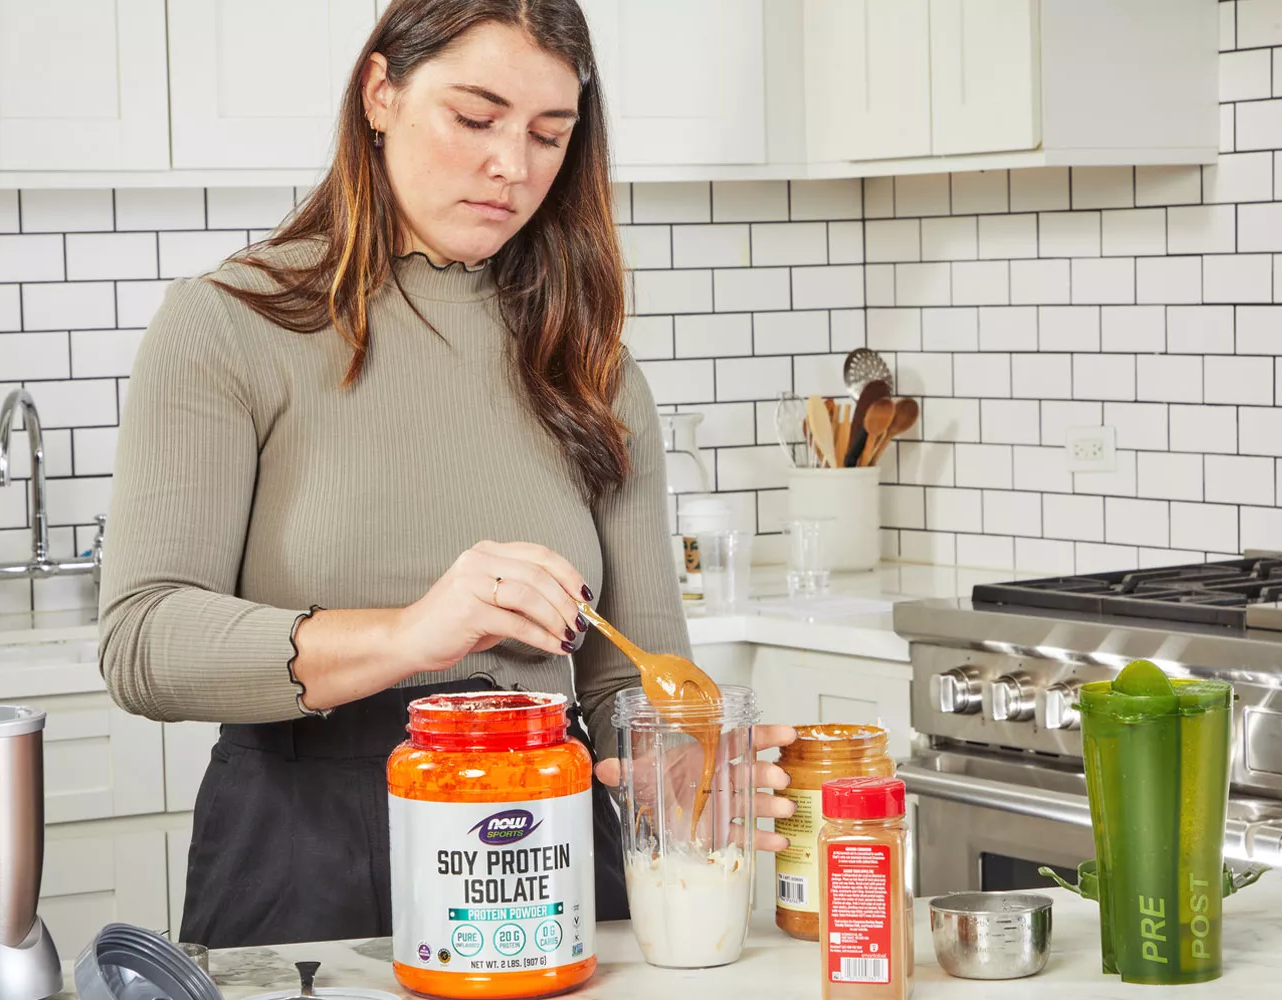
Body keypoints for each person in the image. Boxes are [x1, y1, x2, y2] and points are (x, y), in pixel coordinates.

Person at [98, 0, 796, 949]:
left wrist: (677, 765)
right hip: (307, 847)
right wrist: (414, 634)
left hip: (551, 840)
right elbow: (144, 641)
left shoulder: (592, 367)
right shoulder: (229, 325)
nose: (513, 166)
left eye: (550, 135)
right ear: (379, 92)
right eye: (475, 118)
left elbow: (628, 680)